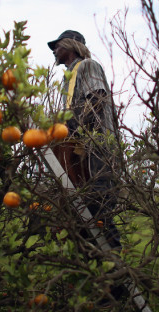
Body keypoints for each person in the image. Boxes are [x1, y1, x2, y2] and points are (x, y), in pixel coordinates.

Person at [48, 30, 121, 250]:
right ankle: (96, 269)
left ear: (70, 45)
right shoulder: (68, 77)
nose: (54, 51)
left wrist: (68, 127)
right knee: (81, 216)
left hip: (98, 147)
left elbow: (96, 99)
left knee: (99, 208)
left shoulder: (88, 65)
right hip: (82, 150)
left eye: (57, 45)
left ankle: (115, 271)